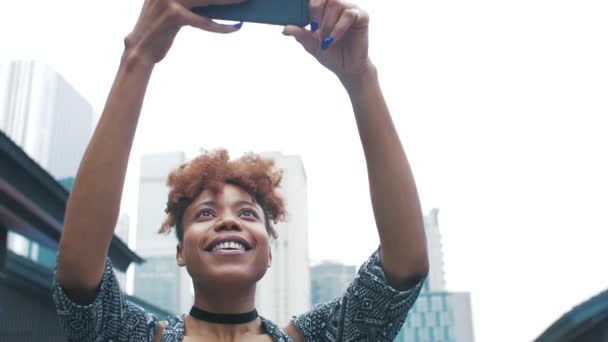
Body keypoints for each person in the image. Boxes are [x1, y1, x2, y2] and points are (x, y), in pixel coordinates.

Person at [52, 0, 430, 340]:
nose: (228, 222)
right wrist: (138, 56)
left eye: (247, 213)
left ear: (268, 252)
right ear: (181, 252)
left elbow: (403, 268)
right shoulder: (132, 336)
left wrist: (360, 77)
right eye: (205, 213)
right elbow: (78, 272)